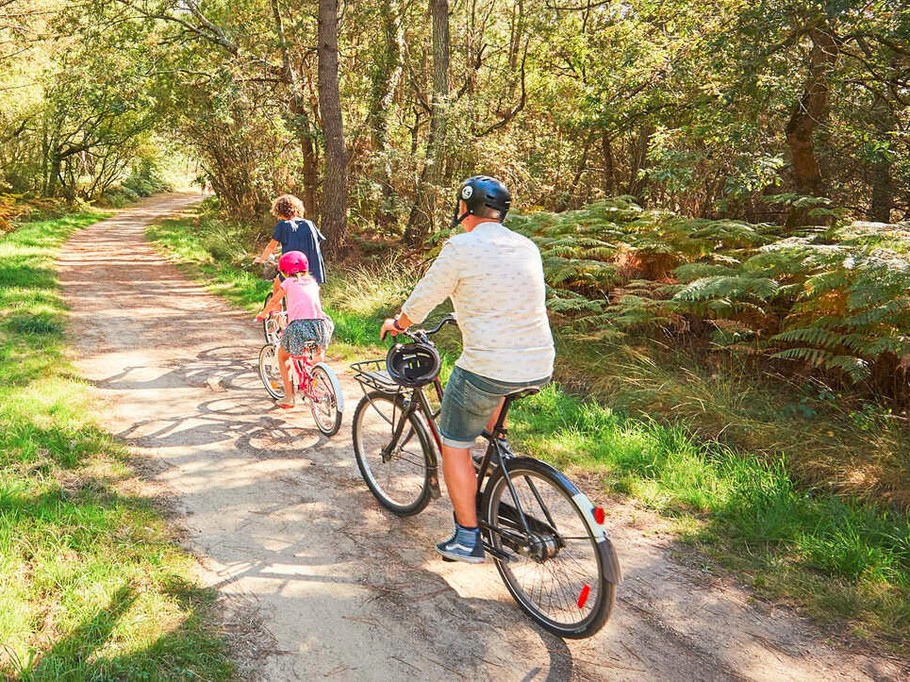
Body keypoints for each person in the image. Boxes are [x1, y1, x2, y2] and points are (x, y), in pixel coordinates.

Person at [380, 175, 555, 564]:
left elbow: (424, 297)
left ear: (465, 208)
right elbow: (517, 295)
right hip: (538, 361)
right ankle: (496, 455)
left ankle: (467, 538)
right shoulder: (526, 246)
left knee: (454, 445)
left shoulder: (461, 246)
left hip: (490, 366)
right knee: (491, 406)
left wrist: (399, 323)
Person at [257, 251, 334, 409]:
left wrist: (263, 314)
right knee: (313, 354)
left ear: (284, 272)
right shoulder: (312, 282)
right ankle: (317, 375)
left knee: (283, 357)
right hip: (320, 325)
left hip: (298, 327)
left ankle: (289, 397)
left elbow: (274, 301)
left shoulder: (288, 283)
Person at [254, 193, 327, 285]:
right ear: (297, 209)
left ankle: (275, 300)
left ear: (280, 211)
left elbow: (271, 247)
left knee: (278, 286)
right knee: (312, 293)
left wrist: (261, 259)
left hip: (292, 269)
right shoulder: (310, 224)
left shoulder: (283, 226)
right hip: (312, 270)